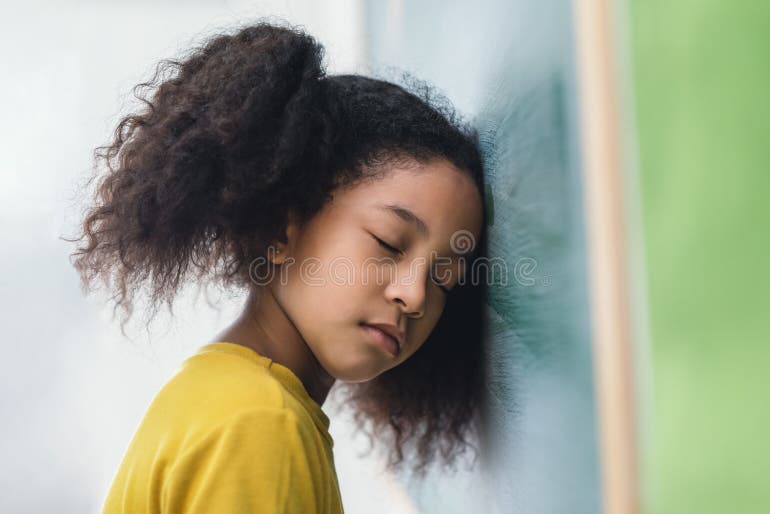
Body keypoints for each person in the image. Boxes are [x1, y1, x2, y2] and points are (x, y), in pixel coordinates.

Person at [67, 18, 490, 514]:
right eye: (390, 243)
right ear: (282, 224)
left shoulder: (227, 396)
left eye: (443, 277)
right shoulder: (260, 424)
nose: (415, 295)